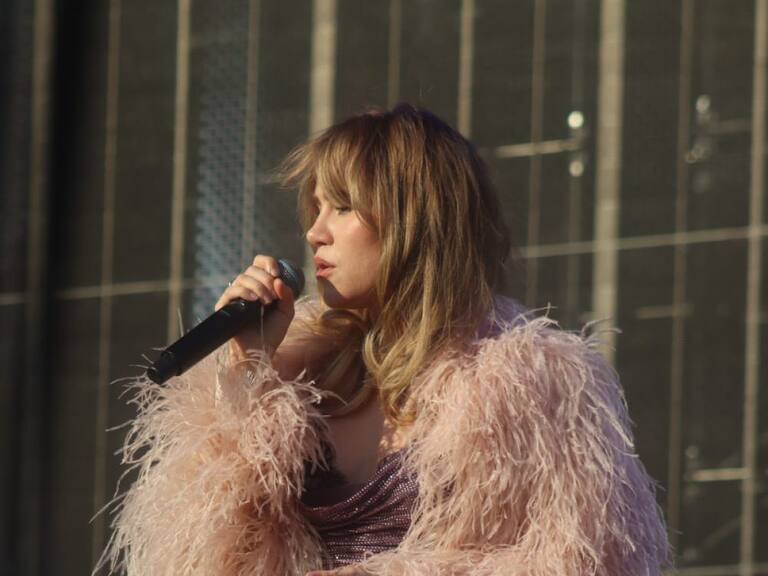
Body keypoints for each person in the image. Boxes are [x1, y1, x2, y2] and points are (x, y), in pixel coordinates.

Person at [96, 104, 671, 575]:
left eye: (343, 207)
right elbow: (204, 556)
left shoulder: (529, 384)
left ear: (414, 220)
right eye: (315, 208)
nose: (314, 232)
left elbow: (588, 562)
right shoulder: (301, 377)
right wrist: (250, 367)